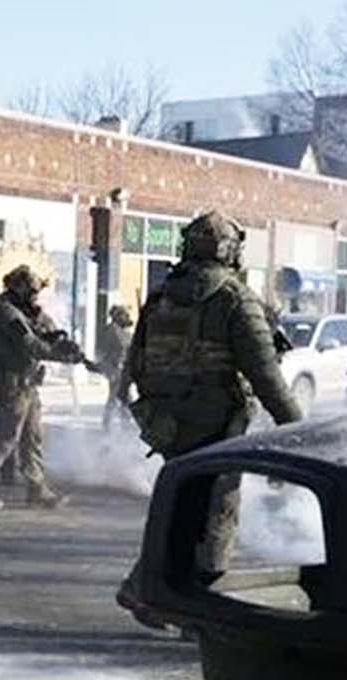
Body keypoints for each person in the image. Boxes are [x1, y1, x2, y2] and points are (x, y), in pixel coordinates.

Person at [115, 211, 302, 619]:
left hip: (166, 423)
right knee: (217, 513)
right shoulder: (234, 299)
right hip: (216, 426)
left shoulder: (161, 296)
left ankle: (148, 588)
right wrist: (298, 431)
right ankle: (199, 605)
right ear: (230, 251)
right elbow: (266, 377)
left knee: (182, 508)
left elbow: (135, 363)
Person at [0, 265, 77, 511]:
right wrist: (61, 355)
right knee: (7, 438)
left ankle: (37, 488)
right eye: (32, 291)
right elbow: (30, 344)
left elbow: (46, 330)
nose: (35, 296)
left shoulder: (23, 310)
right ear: (18, 287)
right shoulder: (6, 311)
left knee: (32, 437)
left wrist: (62, 341)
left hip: (27, 382)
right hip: (11, 384)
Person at [97, 303, 135, 430]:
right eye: (124, 315)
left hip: (123, 368)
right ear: (117, 316)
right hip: (115, 368)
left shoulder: (123, 331)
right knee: (114, 396)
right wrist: (109, 369)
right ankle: (107, 423)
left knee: (126, 397)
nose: (127, 317)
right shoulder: (112, 331)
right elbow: (104, 351)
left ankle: (125, 422)